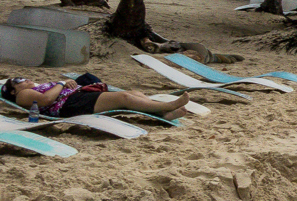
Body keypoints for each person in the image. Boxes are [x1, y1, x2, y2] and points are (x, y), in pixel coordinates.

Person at [2, 75, 190, 120]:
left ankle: (163, 112)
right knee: (124, 98)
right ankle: (168, 106)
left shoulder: (33, 88)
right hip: (69, 104)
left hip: (76, 96)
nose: (25, 79)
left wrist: (67, 83)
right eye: (19, 80)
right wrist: (61, 83)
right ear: (12, 90)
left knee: (133, 94)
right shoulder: (22, 95)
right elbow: (46, 101)